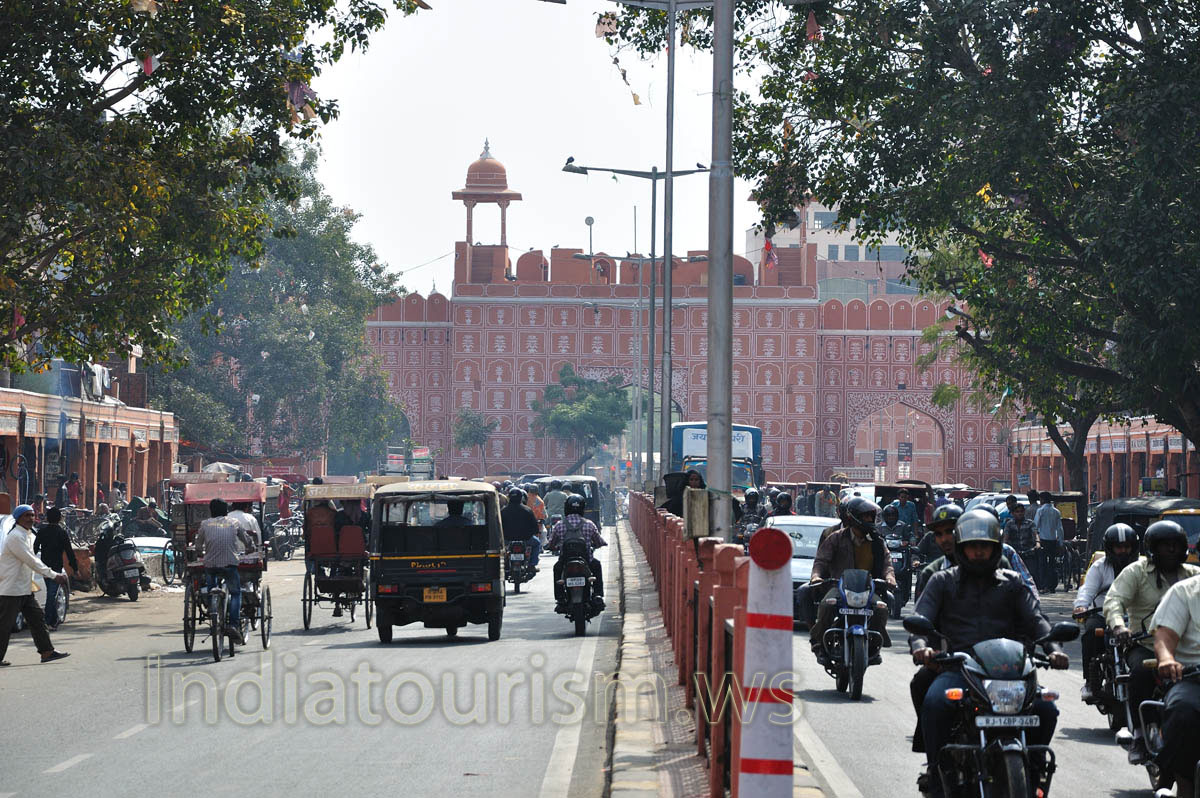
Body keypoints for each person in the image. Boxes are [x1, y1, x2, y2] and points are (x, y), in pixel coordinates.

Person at [908, 510, 1067, 795]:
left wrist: (1053, 648)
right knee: (935, 702)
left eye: (985, 546)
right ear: (962, 548)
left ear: (995, 548)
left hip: (1011, 671)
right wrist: (922, 647)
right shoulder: (942, 581)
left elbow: (1037, 620)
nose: (979, 552)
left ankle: (1034, 766)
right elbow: (922, 619)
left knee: (1046, 708)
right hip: (961, 668)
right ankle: (936, 770)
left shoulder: (1012, 583)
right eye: (972, 546)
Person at [1104, 519, 1200, 763]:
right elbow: (1114, 601)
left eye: (1175, 546)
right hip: (1145, 644)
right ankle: (1138, 733)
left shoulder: (1193, 575)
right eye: (1164, 546)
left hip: (1187, 652)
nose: (1170, 550)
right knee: (1141, 672)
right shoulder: (1135, 571)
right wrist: (1119, 626)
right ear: (1151, 549)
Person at [807, 497, 894, 665]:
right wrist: (816, 576)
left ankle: (874, 647)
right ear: (854, 518)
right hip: (839, 585)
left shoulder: (877, 541)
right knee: (827, 605)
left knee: (881, 608)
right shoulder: (836, 537)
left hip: (868, 588)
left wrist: (889, 577)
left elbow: (887, 563)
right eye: (866, 516)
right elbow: (821, 561)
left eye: (871, 516)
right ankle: (819, 643)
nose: (870, 520)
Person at [915, 506, 1038, 600]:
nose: (945, 539)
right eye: (939, 534)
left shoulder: (1003, 564)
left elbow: (1025, 606)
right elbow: (923, 617)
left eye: (950, 531)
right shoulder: (934, 575)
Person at [1073, 523, 1137, 702]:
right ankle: (1089, 681)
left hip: (1134, 617)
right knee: (1092, 632)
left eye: (1127, 547)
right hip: (1103, 614)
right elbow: (1087, 589)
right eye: (1118, 547)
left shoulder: (1142, 566)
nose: (1123, 551)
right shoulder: (1099, 566)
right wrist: (1082, 606)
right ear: (1110, 548)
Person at [0, 505, 71, 665]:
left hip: (24, 588)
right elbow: (31, 561)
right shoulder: (16, 537)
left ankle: (47, 652)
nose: (30, 519)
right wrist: (53, 575)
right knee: (4, 626)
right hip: (11, 590)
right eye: (26, 516)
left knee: (38, 620)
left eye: (32, 515)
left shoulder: (27, 535)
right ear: (18, 518)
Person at [1151, 572, 1200, 796]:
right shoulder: (1185, 591)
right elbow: (1165, 635)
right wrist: (1167, 658)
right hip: (1192, 676)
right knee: (1182, 710)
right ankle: (1185, 785)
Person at [195, 498, 254, 644]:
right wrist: (250, 548)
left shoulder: (204, 524)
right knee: (235, 593)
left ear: (211, 511)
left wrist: (200, 553)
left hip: (210, 565)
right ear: (226, 511)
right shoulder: (234, 523)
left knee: (211, 587)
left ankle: (212, 609)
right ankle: (233, 624)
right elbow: (247, 540)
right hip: (229, 564)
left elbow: (198, 545)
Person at [548, 494, 606, 610]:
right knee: (597, 565)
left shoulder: (559, 525)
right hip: (586, 561)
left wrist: (551, 547)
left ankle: (560, 598)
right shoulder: (589, 524)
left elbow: (551, 543)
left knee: (557, 568)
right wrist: (599, 544)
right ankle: (597, 595)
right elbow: (599, 541)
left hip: (565, 561)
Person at [32, 507, 77, 631]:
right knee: (52, 594)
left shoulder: (42, 532)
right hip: (56, 567)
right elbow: (69, 551)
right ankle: (48, 621)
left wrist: (32, 561)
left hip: (44, 567)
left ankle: (51, 620)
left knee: (51, 594)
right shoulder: (62, 532)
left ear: (47, 518)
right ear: (59, 519)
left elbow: (34, 549)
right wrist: (74, 567)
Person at [501, 487, 542, 568]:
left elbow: (499, 526)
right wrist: (535, 531)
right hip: (526, 538)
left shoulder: (503, 511)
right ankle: (532, 565)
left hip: (507, 539)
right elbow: (535, 526)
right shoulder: (527, 510)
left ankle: (502, 565)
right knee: (537, 543)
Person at [1034, 491, 1065, 592]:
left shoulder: (1040, 511)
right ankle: (1051, 586)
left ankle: (1044, 585)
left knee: (1042, 563)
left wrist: (1035, 539)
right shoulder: (1056, 511)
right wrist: (1061, 543)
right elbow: (1059, 529)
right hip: (1052, 540)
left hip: (1042, 540)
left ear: (1042, 500)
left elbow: (1036, 526)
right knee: (1052, 563)